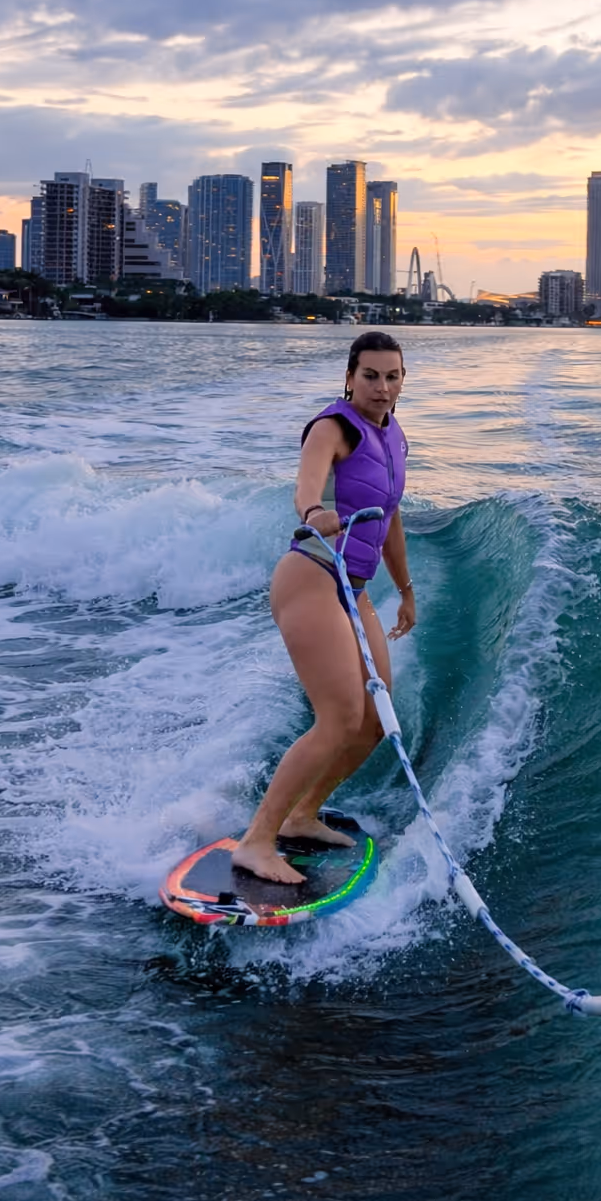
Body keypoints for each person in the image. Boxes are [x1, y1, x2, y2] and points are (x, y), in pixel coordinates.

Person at [231, 331, 415, 884]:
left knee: (374, 723)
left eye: (392, 377)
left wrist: (406, 589)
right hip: (311, 577)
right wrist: (314, 512)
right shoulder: (332, 428)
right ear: (350, 378)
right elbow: (306, 485)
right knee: (338, 719)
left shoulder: (395, 436)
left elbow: (390, 519)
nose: (382, 388)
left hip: (355, 590)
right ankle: (256, 842)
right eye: (371, 376)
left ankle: (302, 815)